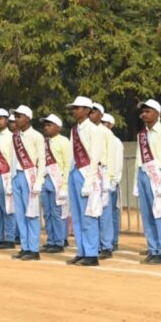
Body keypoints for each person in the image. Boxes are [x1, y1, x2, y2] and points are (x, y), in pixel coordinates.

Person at [134, 99, 161, 265]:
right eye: (142, 112)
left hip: (157, 176)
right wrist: (136, 182)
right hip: (144, 175)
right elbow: (138, 158)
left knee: (160, 214)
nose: (144, 114)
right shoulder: (141, 135)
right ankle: (153, 249)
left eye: (148, 111)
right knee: (147, 215)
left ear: (157, 113)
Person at [65, 96, 104, 266]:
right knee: (78, 215)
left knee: (89, 214)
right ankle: (81, 251)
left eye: (78, 108)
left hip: (88, 173)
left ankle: (91, 254)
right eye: (74, 108)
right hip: (75, 172)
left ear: (87, 110)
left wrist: (89, 180)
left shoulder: (94, 130)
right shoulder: (74, 130)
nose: (75, 110)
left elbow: (95, 156)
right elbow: (71, 155)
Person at [11, 105, 45, 260]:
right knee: (20, 214)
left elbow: (42, 159)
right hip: (16, 175)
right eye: (15, 116)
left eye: (19, 116)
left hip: (29, 176)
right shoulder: (15, 136)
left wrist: (39, 181)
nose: (16, 119)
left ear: (28, 118)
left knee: (31, 213)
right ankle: (25, 247)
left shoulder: (36, 136)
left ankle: (34, 249)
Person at [40, 114, 70, 253]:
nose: (46, 127)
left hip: (57, 180)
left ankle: (59, 241)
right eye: (45, 125)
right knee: (47, 213)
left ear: (58, 127)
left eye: (49, 125)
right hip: (45, 180)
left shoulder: (64, 141)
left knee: (57, 213)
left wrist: (64, 185)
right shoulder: (43, 142)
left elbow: (67, 165)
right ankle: (51, 240)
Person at [89, 103, 116, 259]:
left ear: (101, 114)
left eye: (94, 112)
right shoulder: (85, 130)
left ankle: (106, 246)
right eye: (90, 111)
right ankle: (95, 244)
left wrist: (110, 178)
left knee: (104, 212)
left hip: (103, 172)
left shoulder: (106, 132)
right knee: (92, 211)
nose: (91, 114)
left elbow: (111, 155)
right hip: (89, 173)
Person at [0, 108, 16, 250]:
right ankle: (0, 237)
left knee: (8, 208)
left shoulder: (12, 137)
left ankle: (10, 238)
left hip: (6, 175)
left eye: (1, 118)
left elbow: (13, 160)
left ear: (7, 120)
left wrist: (11, 180)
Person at [101, 113, 124, 250]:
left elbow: (118, 163)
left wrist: (114, 181)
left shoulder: (115, 141)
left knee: (112, 213)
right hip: (100, 181)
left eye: (104, 122)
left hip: (111, 182)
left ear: (110, 125)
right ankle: (105, 239)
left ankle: (113, 240)